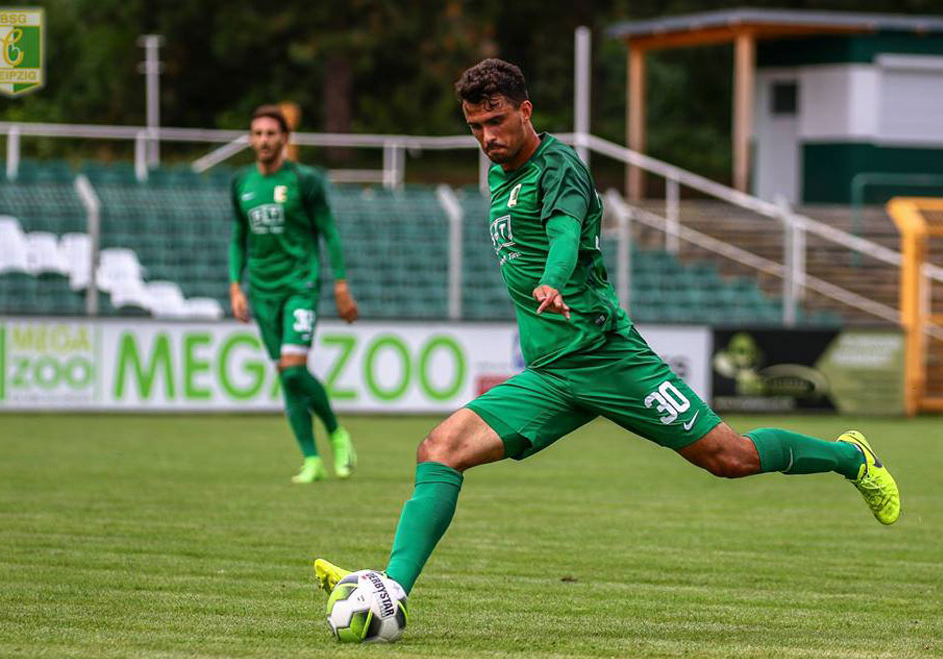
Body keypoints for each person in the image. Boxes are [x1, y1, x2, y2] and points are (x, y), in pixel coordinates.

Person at [314, 58, 899, 618]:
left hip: (606, 356)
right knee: (438, 450)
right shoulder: (499, 174)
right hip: (550, 374)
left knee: (730, 458)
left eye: (496, 120)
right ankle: (392, 588)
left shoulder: (560, 166)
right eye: (475, 127)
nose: (487, 136)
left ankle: (852, 458)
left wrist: (552, 280)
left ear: (526, 110)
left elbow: (566, 233)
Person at [229, 105, 359, 483]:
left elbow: (329, 231)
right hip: (262, 291)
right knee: (286, 376)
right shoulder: (241, 184)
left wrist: (340, 283)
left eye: (271, 133)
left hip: (300, 285)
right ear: (251, 140)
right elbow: (238, 237)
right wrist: (236, 286)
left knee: (293, 368)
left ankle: (337, 432)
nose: (264, 140)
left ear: (285, 139)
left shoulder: (305, 180)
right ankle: (311, 459)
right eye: (257, 134)